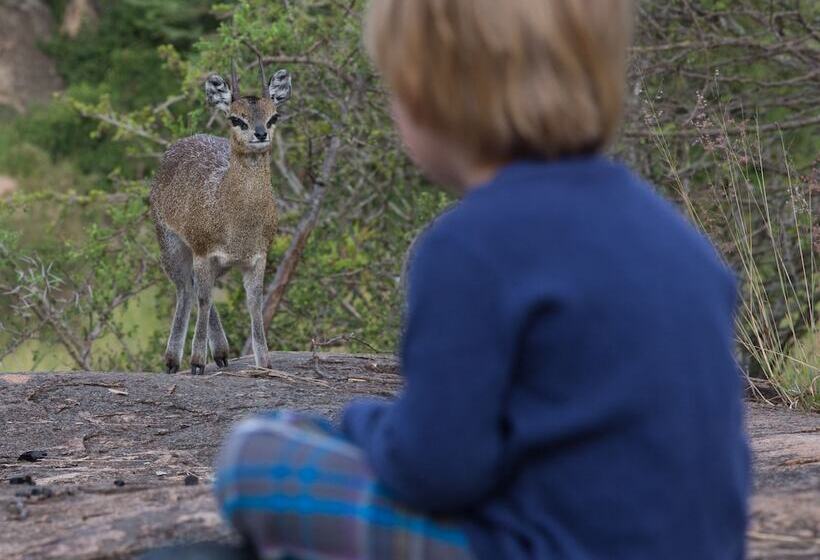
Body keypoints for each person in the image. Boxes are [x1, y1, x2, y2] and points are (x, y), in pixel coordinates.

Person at [209, 1, 750, 559]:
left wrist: (365, 425)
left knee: (256, 453)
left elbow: (436, 471)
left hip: (540, 546)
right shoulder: (681, 241)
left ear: (427, 98)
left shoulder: (468, 247)